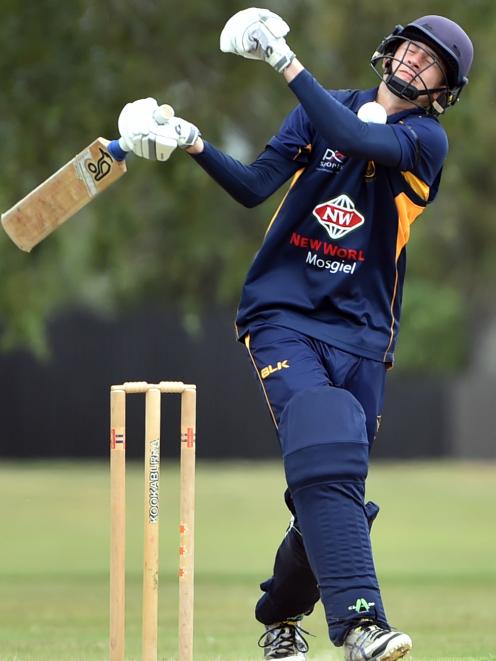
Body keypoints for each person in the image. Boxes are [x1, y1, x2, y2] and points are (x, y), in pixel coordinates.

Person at [116, 8, 473, 660]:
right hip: (283, 313)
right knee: (325, 443)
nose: (415, 63)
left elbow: (360, 140)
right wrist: (191, 141)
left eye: (432, 63)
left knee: (334, 491)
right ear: (392, 51)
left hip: (363, 333)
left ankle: (280, 619)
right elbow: (255, 187)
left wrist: (284, 59)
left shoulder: (425, 141)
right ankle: (363, 625)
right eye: (412, 50)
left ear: (442, 90)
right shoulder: (323, 108)